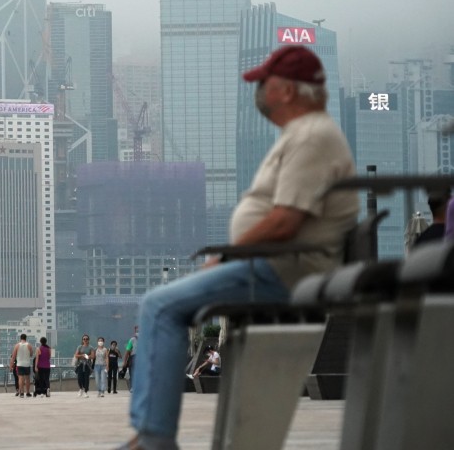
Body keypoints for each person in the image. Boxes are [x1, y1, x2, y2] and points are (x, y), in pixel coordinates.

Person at [115, 46, 359, 450]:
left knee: (160, 306)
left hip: (282, 270)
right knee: (163, 306)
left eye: (264, 84)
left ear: (286, 89)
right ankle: (151, 435)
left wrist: (226, 256)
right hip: (275, 265)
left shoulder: (313, 137)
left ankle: (154, 440)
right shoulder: (302, 135)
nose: (258, 93)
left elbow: (285, 220)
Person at [9, 333, 35, 398]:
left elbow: (13, 357)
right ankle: (28, 392)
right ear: (26, 338)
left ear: (20, 338)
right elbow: (31, 354)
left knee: (20, 378)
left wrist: (11, 366)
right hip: (27, 364)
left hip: (19, 364)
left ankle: (22, 393)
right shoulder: (29, 345)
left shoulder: (17, 346)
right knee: (27, 378)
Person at [121, 326, 139, 392]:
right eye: (137, 330)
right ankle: (133, 387)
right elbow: (127, 351)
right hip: (134, 357)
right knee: (132, 372)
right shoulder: (132, 339)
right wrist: (124, 362)